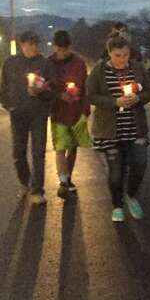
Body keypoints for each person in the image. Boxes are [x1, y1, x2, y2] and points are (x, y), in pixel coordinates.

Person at [87, 34, 150, 223]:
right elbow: (91, 95)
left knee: (140, 165)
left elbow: (148, 90)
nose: (122, 59)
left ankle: (131, 195)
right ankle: (117, 205)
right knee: (115, 171)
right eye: (118, 55)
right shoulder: (99, 72)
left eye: (125, 55)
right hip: (110, 129)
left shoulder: (137, 68)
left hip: (135, 128)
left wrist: (138, 98)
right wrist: (114, 101)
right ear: (109, 54)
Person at [0, 30, 55, 205]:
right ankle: (25, 182)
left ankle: (37, 190)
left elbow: (53, 90)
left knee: (38, 152)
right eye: (30, 44)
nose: (33, 47)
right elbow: (2, 89)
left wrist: (42, 91)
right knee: (18, 152)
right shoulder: (10, 63)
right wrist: (10, 105)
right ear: (22, 45)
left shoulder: (44, 64)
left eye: (36, 44)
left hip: (38, 114)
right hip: (18, 114)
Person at [47, 29, 92, 199]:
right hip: (58, 111)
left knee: (73, 146)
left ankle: (69, 176)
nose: (63, 53)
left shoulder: (79, 63)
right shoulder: (49, 63)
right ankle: (63, 181)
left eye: (66, 49)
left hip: (76, 110)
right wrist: (59, 95)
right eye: (60, 49)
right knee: (60, 146)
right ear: (54, 47)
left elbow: (85, 86)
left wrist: (83, 106)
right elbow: (46, 87)